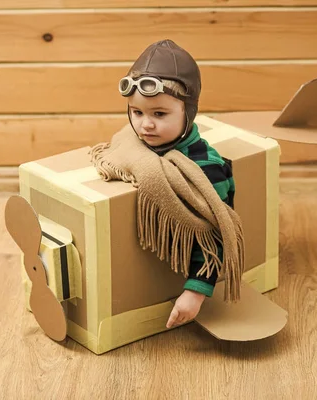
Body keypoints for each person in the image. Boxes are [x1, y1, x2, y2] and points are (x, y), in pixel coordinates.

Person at [117, 39, 236, 329]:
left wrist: (196, 291)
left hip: (188, 268)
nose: (146, 125)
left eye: (159, 114)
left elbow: (215, 235)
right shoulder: (135, 143)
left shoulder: (206, 169)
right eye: (137, 112)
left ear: (188, 112)